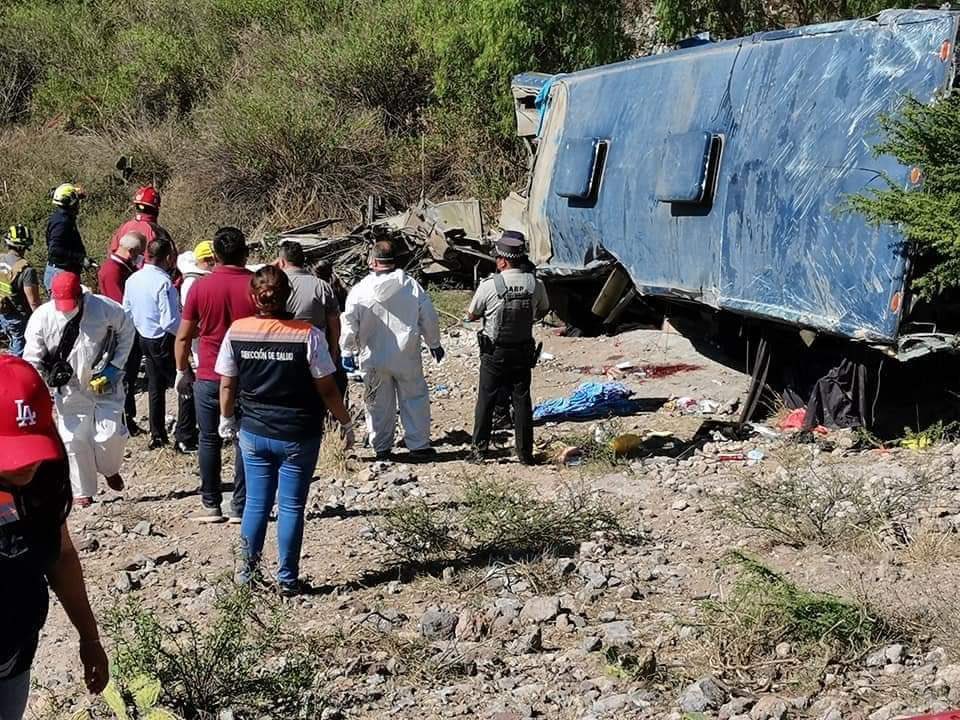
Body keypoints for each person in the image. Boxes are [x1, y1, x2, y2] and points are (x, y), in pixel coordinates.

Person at [216, 267, 353, 595]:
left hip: (253, 431)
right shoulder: (307, 334)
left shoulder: (238, 331)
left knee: (255, 505)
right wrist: (345, 423)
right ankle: (287, 580)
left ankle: (247, 576)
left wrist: (226, 418)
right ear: (287, 295)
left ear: (254, 297)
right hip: (298, 432)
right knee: (291, 506)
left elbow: (227, 382)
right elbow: (328, 389)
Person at [0, 355, 109, 717]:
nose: (26, 465)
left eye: (31, 447)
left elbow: (61, 554)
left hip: (15, 653)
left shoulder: (46, 475)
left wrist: (89, 637)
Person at [23, 272, 135, 506]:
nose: (67, 310)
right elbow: (31, 358)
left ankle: (109, 468)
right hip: (68, 388)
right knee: (74, 440)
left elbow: (127, 329)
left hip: (105, 382)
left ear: (81, 296)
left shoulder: (104, 307)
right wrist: (39, 390)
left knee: (110, 434)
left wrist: (115, 366)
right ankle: (83, 491)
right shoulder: (42, 317)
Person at [174, 228, 254, 523]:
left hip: (209, 372)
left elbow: (183, 337)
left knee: (208, 439)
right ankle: (241, 506)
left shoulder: (200, 288)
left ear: (215, 257)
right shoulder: (255, 285)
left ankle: (211, 503)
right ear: (245, 253)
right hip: (248, 374)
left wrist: (183, 370)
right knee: (245, 440)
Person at [340, 240, 443, 461]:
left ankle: (382, 447)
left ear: (373, 261)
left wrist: (347, 351)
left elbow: (349, 322)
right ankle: (419, 446)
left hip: (373, 356)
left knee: (377, 403)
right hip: (406, 354)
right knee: (414, 398)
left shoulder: (360, 290)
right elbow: (429, 316)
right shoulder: (411, 286)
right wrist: (434, 342)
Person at [467, 231, 549, 465]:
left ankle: (479, 451)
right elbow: (542, 310)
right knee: (522, 400)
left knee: (486, 399)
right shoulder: (536, 284)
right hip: (523, 351)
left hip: (494, 352)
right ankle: (525, 453)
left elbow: (472, 314)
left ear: (502, 261)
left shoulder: (489, 285)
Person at [123, 236, 196, 451]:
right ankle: (185, 436)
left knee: (155, 387)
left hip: (144, 337)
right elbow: (170, 321)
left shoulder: (133, 279)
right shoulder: (164, 283)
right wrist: (188, 333)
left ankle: (157, 435)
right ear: (168, 258)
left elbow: (126, 310)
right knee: (185, 384)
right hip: (164, 340)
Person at [278, 241, 345, 396]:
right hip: (316, 352)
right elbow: (334, 324)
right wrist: (334, 352)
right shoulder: (321, 286)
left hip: (282, 352)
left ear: (281, 261)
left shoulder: (276, 285)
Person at [98, 232, 146, 436]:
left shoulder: (120, 267)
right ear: (133, 251)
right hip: (120, 332)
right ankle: (125, 419)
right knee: (124, 377)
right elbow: (121, 305)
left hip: (123, 329)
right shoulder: (112, 271)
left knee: (129, 376)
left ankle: (127, 417)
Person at [0, 225, 42, 357]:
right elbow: (34, 302)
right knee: (19, 355)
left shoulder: (0, 259)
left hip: (2, 312)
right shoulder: (27, 270)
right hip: (18, 318)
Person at [108, 186, 178, 263]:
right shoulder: (157, 232)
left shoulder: (124, 227)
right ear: (155, 209)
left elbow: (112, 253)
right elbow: (171, 261)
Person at [45, 183, 88, 291]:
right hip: (61, 273)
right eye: (77, 201)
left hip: (62, 272)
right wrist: (80, 259)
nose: (79, 204)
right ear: (71, 203)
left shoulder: (63, 218)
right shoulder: (62, 222)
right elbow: (55, 250)